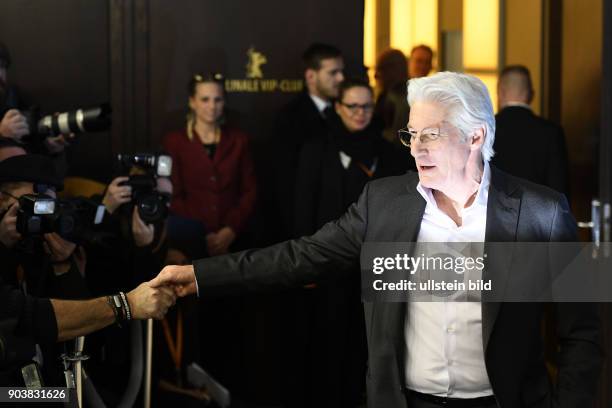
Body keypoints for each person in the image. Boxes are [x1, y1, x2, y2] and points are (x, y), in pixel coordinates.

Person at [154, 72, 602, 407]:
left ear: (476, 136)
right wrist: (199, 275)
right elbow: (300, 257)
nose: (416, 148)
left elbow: (583, 331)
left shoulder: (543, 211)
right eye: (411, 134)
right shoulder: (384, 202)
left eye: (431, 135)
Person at [0, 154, 175, 385]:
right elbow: (25, 315)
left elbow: (80, 338)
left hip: (52, 384)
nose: (41, 216)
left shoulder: (53, 242)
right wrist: (3, 247)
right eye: (32, 204)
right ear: (2, 201)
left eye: (48, 205)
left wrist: (63, 266)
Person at [291, 77, 411, 407]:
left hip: (379, 269)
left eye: (366, 106)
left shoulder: (391, 153)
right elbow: (304, 208)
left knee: (372, 346)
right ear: (338, 108)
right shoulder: (317, 149)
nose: (360, 113)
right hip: (330, 266)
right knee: (329, 344)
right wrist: (306, 266)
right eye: (352, 106)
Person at [163, 73, 256, 255]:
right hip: (189, 241)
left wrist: (230, 230)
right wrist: (202, 233)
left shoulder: (239, 140)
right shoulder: (174, 142)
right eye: (205, 99)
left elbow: (249, 191)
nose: (212, 106)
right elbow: (173, 194)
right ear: (192, 102)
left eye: (218, 100)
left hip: (234, 241)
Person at [271, 42, 345, 241]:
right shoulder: (289, 118)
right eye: (333, 72)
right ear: (311, 76)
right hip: (303, 230)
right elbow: (285, 182)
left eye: (341, 72)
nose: (341, 78)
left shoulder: (344, 114)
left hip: (341, 227)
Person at [493, 65, 570, 198]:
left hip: (494, 215)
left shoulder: (485, 130)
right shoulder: (551, 132)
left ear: (500, 92)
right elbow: (559, 190)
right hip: (540, 216)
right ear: (531, 95)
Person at [373, 49, 410, 145]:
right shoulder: (411, 93)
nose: (376, 75)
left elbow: (395, 136)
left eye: (380, 69)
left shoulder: (393, 97)